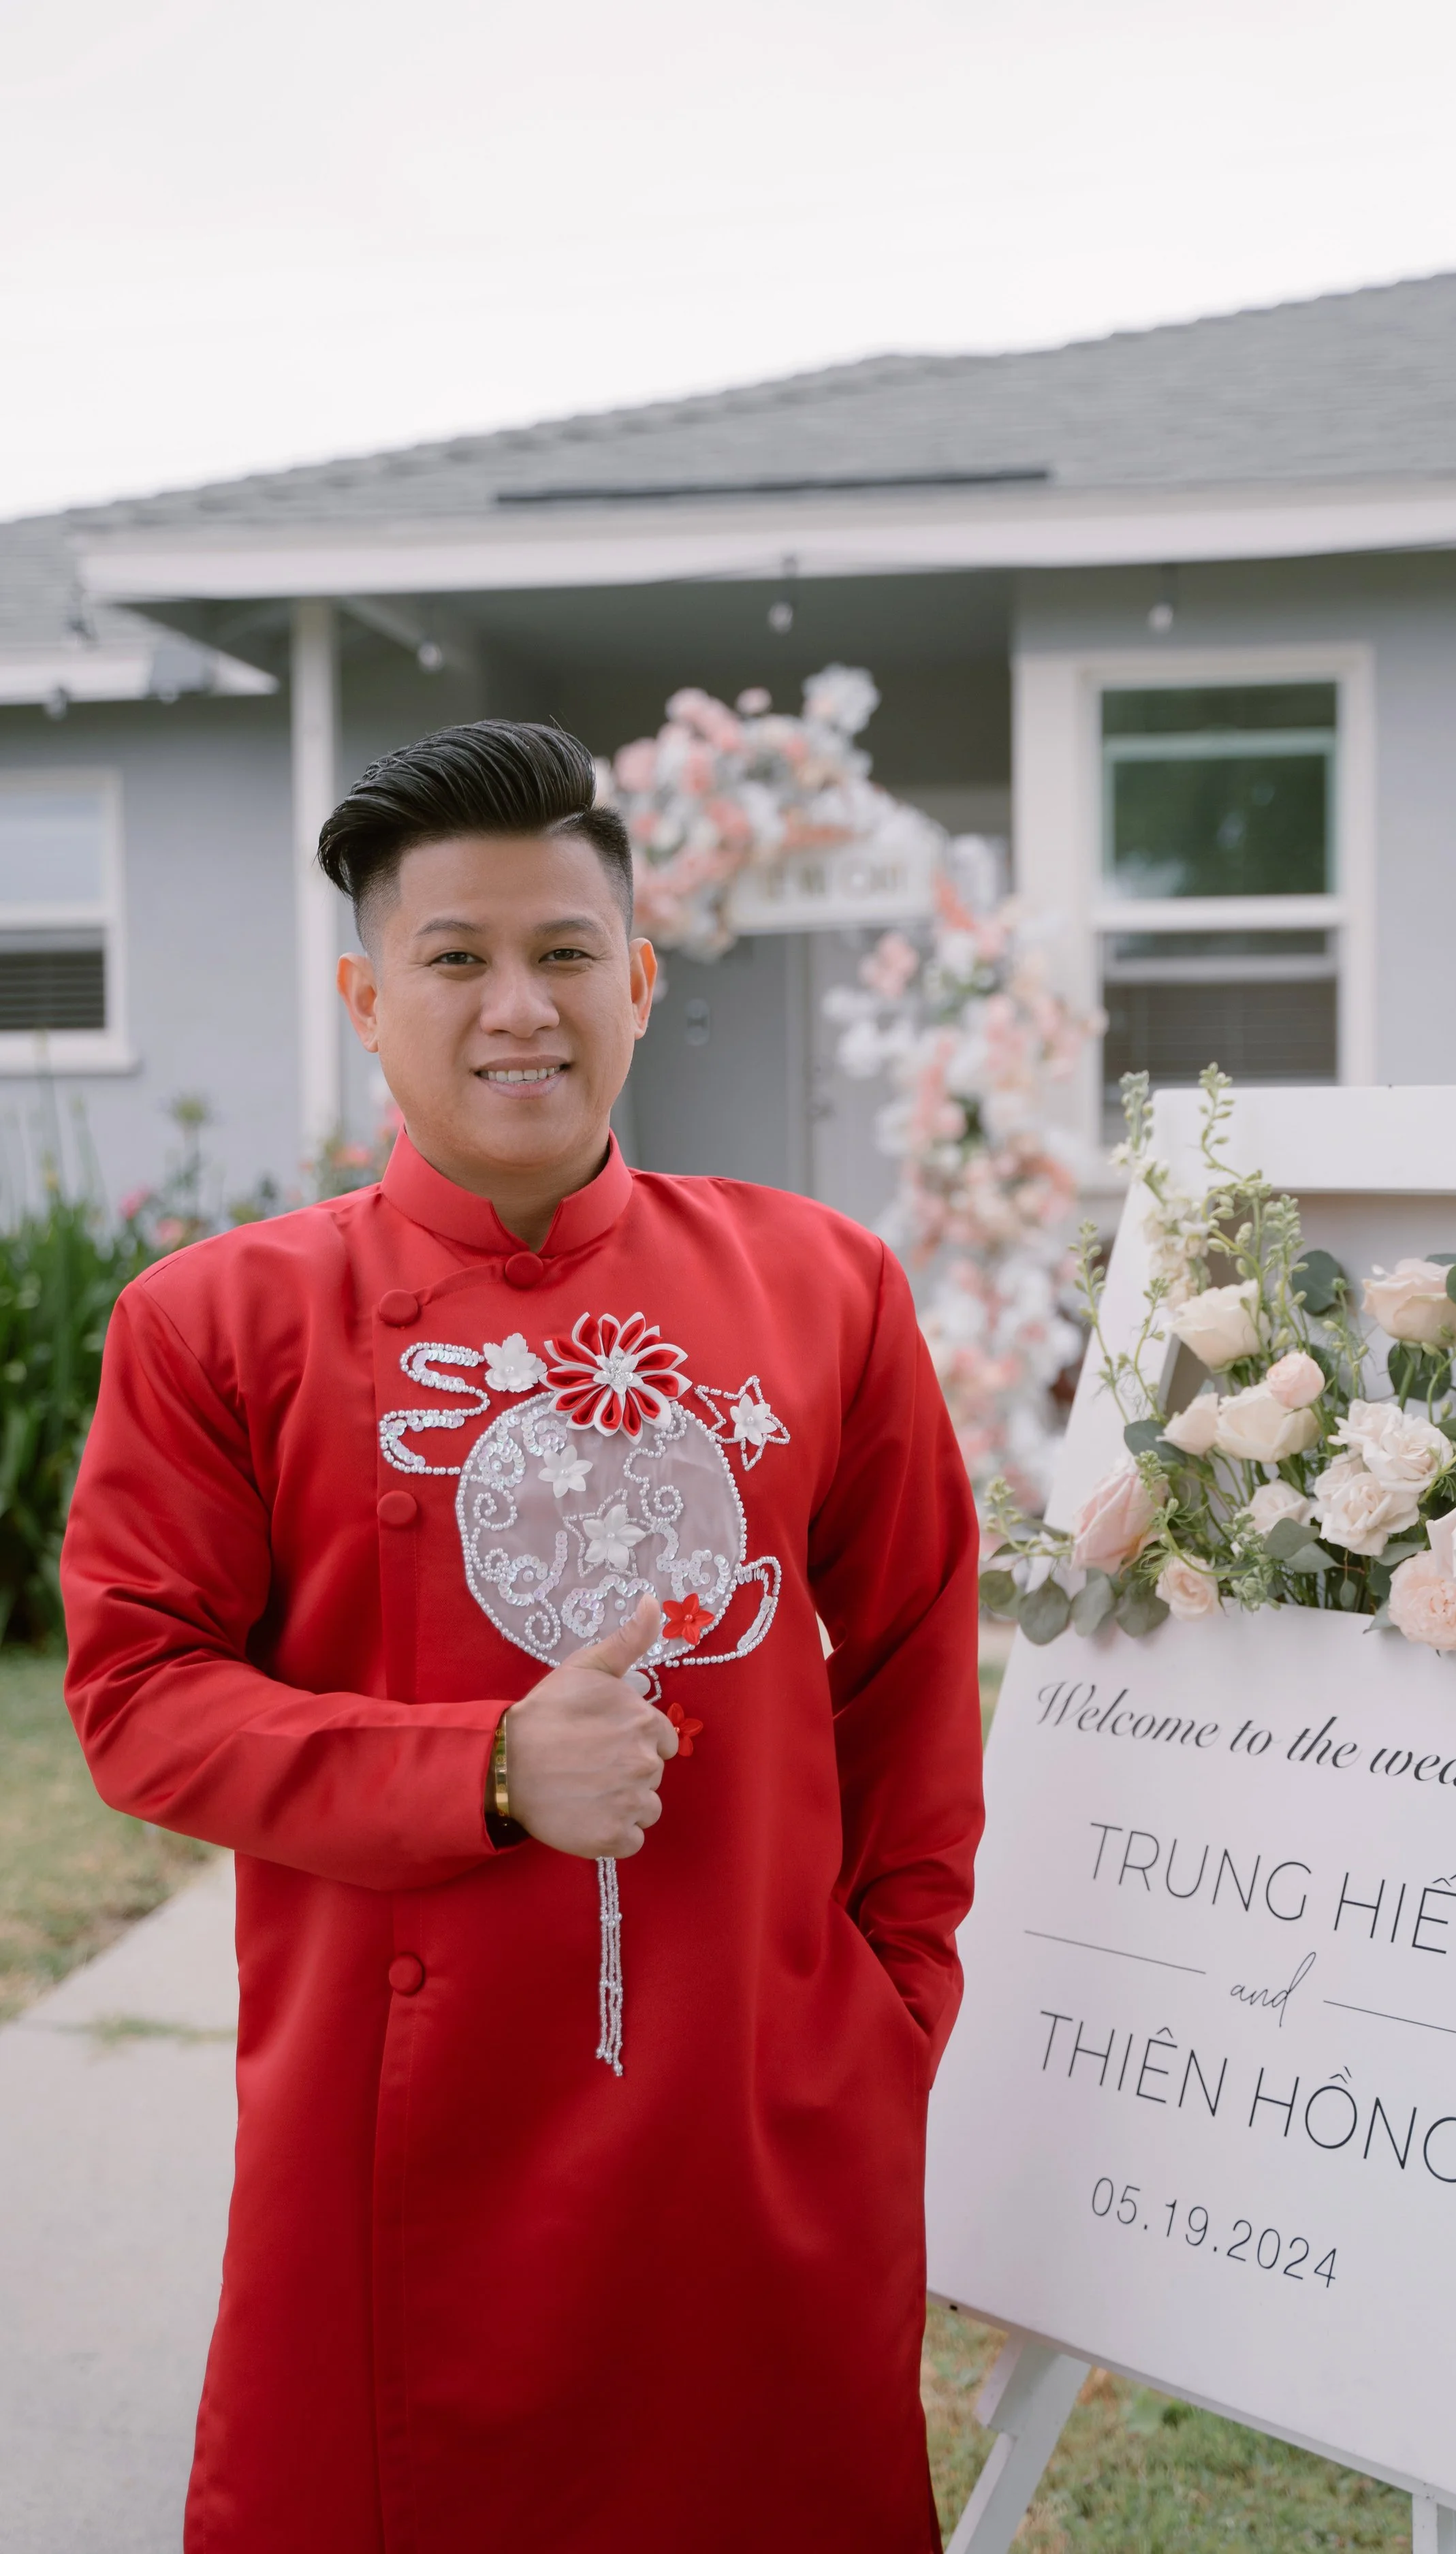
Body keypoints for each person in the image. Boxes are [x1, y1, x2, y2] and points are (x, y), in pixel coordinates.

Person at [61, 721, 985, 2554]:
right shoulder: (217, 1321)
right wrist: (479, 1766)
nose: (518, 1008)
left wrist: (889, 2012)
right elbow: (136, 1699)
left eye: (565, 952)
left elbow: (914, 1666)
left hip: (757, 2109)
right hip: (384, 2131)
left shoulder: (823, 1285)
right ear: (366, 999)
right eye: (455, 957)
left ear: (636, 982)